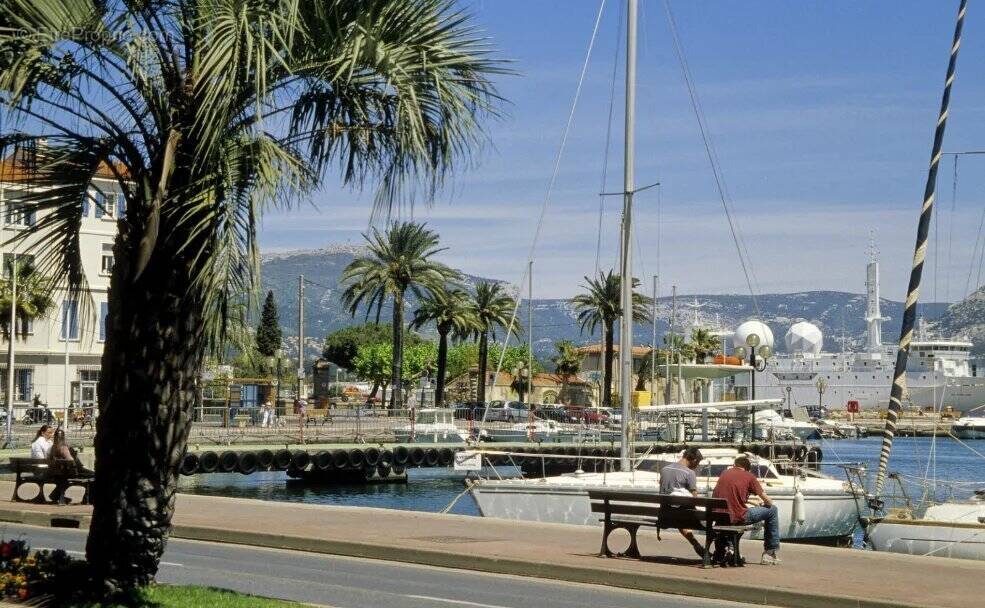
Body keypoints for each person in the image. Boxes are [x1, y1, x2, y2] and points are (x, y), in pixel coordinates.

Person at [712, 455, 781, 565]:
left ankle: (725, 551)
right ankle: (770, 552)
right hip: (738, 517)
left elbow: (731, 498)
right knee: (772, 510)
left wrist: (752, 503)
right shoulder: (749, 476)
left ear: (735, 465)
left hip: (720, 517)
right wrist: (765, 504)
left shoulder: (724, 474)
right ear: (747, 468)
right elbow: (768, 501)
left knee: (733, 517)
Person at [659, 447, 706, 558]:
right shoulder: (689, 473)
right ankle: (706, 549)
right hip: (682, 516)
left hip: (664, 515)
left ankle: (696, 544)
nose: (698, 465)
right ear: (694, 460)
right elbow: (695, 499)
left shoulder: (664, 469)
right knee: (712, 521)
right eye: (698, 463)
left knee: (679, 513)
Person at [48, 429, 74, 505]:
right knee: (92, 475)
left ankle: (56, 496)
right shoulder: (63, 447)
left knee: (63, 481)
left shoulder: (52, 447)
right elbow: (70, 460)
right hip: (64, 473)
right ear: (63, 437)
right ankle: (58, 496)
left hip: (53, 473)